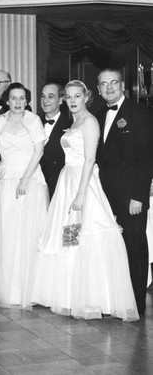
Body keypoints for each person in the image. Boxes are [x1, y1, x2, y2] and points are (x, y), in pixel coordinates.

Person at [31, 80, 139, 321]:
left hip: (83, 183)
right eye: (68, 96)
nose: (72, 100)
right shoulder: (74, 121)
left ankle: (94, 297)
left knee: (84, 234)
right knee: (69, 238)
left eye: (77, 96)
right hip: (67, 181)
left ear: (86, 97)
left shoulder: (89, 122)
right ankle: (70, 295)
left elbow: (90, 160)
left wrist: (80, 195)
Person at [96, 68, 153, 314]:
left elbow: (146, 158)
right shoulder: (96, 115)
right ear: (98, 89)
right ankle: (119, 302)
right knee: (114, 248)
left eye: (114, 83)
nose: (109, 88)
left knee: (134, 247)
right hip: (105, 196)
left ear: (123, 86)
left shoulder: (140, 113)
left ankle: (137, 304)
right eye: (104, 84)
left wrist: (139, 196)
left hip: (131, 197)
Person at [0, 82, 48, 308]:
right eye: (14, 98)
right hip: (6, 182)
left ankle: (32, 292)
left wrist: (24, 180)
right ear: (7, 100)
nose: (18, 102)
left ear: (27, 100)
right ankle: (11, 292)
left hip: (29, 181)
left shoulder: (33, 120)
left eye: (22, 98)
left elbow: (39, 151)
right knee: (8, 237)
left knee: (29, 235)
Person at [39, 83, 72, 199]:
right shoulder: (34, 124)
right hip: (37, 189)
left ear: (61, 100)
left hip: (59, 190)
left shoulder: (71, 126)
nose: (45, 100)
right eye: (43, 96)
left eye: (51, 96)